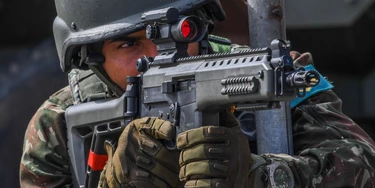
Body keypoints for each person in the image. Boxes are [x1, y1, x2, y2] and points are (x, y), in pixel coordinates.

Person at [20, 0, 375, 187]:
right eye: (129, 43)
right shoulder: (60, 122)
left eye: (176, 33)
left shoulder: (272, 72)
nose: (158, 55)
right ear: (90, 55)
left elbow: (362, 166)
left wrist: (261, 177)